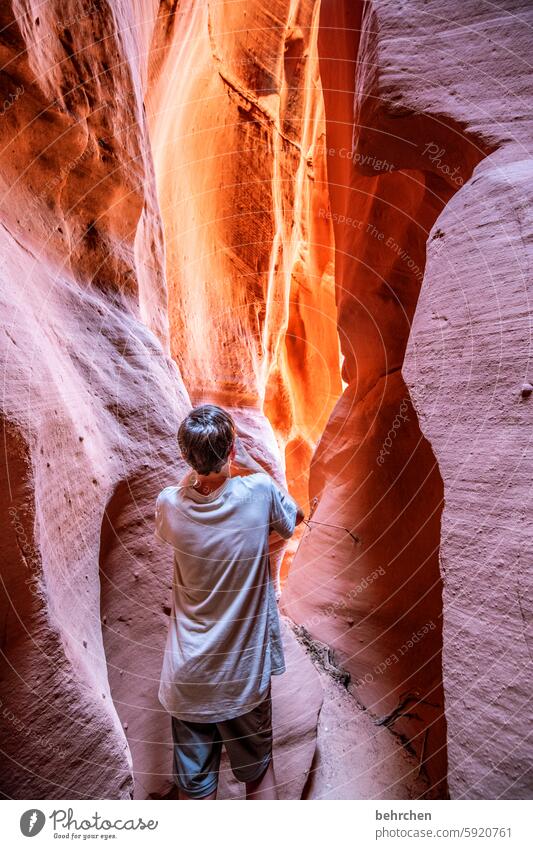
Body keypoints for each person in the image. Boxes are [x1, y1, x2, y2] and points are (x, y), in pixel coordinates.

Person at [154, 404, 305, 800]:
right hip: (243, 678)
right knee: (257, 777)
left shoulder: (169, 504)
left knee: (195, 792)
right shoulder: (258, 492)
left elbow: (186, 495)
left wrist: (201, 470)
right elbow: (295, 516)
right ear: (233, 450)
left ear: (186, 456)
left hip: (188, 679)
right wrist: (252, 464)